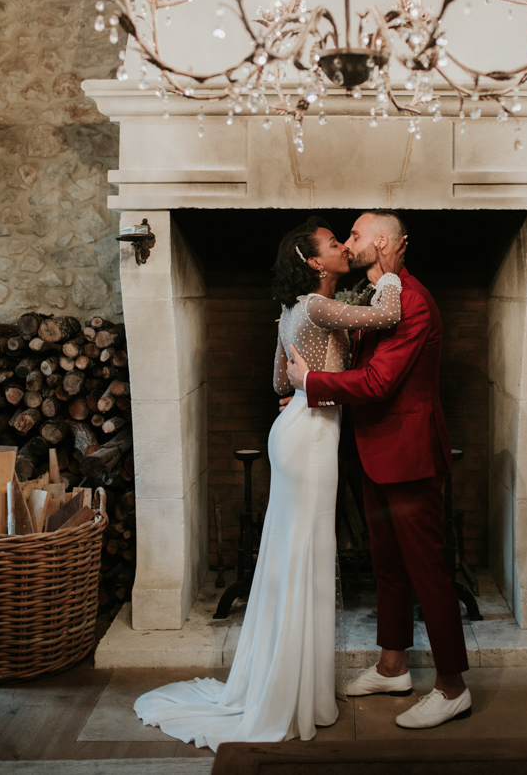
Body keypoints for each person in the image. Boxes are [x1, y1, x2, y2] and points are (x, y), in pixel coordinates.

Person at [134, 215, 406, 751]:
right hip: (311, 438)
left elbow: (279, 380)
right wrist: (391, 273)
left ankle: (288, 683)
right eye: (334, 244)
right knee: (306, 554)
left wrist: (303, 389)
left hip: (297, 429)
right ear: (315, 262)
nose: (342, 248)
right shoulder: (317, 306)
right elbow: (389, 315)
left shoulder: (291, 310)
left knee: (295, 554)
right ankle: (294, 693)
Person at [286, 210, 471, 730]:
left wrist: (310, 385)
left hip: (409, 456)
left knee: (427, 571)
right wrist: (303, 395)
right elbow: (358, 369)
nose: (347, 244)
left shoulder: (410, 300)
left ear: (384, 241)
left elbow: (377, 382)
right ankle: (393, 667)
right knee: (388, 566)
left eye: (355, 235)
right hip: (376, 450)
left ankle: (453, 687)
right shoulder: (380, 296)